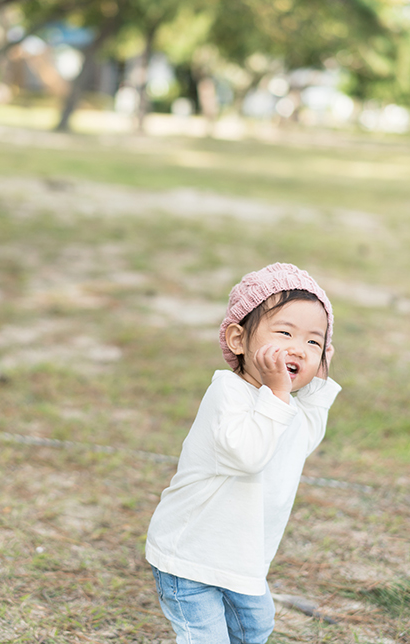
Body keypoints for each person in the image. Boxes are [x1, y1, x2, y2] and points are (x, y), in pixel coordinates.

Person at [145, 262, 341, 644]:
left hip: (243, 560)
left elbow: (302, 441)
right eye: (284, 332)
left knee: (254, 629)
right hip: (190, 557)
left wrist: (318, 384)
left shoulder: (283, 406)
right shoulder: (228, 393)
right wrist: (279, 394)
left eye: (314, 342)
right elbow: (248, 456)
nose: (298, 347)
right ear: (238, 340)